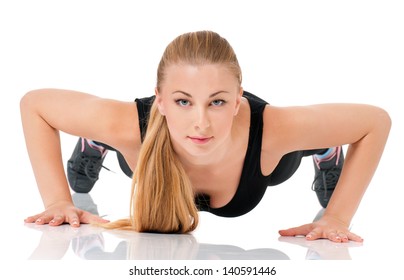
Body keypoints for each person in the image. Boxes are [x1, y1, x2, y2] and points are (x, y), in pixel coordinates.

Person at [20, 30, 391, 243]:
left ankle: (326, 151)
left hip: (265, 151)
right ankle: (94, 142)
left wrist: (338, 217)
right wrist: (56, 200)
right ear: (161, 101)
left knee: (284, 162)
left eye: (216, 102)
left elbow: (375, 121)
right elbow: (35, 104)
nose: (201, 123)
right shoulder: (126, 125)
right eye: (183, 101)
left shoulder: (274, 130)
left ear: (236, 101)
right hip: (139, 141)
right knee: (121, 142)